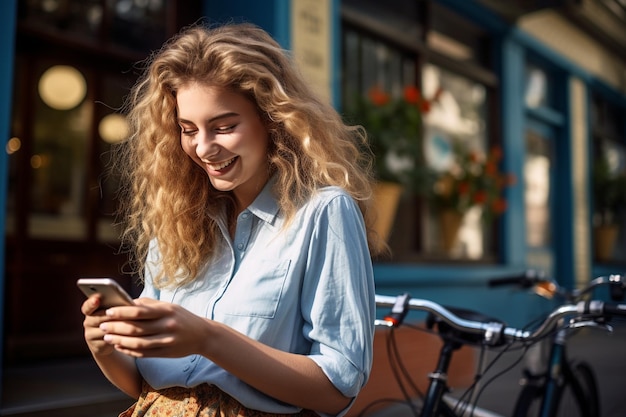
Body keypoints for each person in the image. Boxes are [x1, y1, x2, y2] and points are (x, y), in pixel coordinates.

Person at [81, 22, 385, 417]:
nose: (204, 147)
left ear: (273, 118)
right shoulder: (178, 219)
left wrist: (208, 339)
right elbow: (145, 383)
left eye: (224, 126)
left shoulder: (323, 212)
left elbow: (337, 390)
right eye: (188, 130)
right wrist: (105, 348)